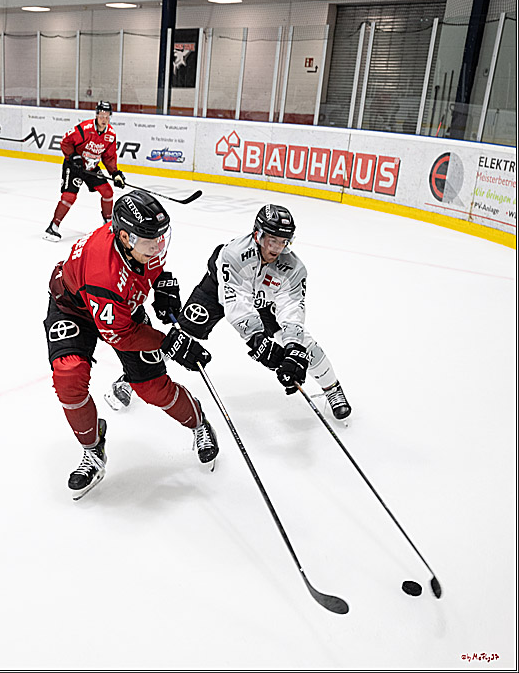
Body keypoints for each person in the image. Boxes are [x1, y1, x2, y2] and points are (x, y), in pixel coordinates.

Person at [43, 189, 219, 500]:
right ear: (125, 238)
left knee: (152, 388)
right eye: (151, 241)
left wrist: (163, 283)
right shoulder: (104, 273)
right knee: (69, 375)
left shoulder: (144, 243)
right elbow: (120, 334)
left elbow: (152, 265)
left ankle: (197, 421)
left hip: (118, 307)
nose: (158, 246)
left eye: (161, 238)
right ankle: (93, 450)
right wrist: (170, 343)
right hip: (75, 309)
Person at [108, 204, 351, 420]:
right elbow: (234, 302)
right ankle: (132, 378)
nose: (277, 248)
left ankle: (332, 388)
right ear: (258, 234)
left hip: (264, 301)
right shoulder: (234, 253)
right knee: (181, 336)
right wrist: (257, 341)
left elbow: (292, 308)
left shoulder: (294, 268)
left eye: (283, 242)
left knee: (306, 347)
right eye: (271, 240)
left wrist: (293, 347)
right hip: (217, 290)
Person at [43, 100, 126, 242]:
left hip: (91, 168)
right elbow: (65, 141)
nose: (104, 119)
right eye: (101, 115)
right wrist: (73, 156)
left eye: (107, 116)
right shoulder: (85, 129)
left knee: (108, 192)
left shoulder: (110, 135)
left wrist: (115, 173)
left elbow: (109, 157)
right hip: (74, 167)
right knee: (69, 197)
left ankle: (107, 225)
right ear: (96, 114)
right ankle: (53, 227)